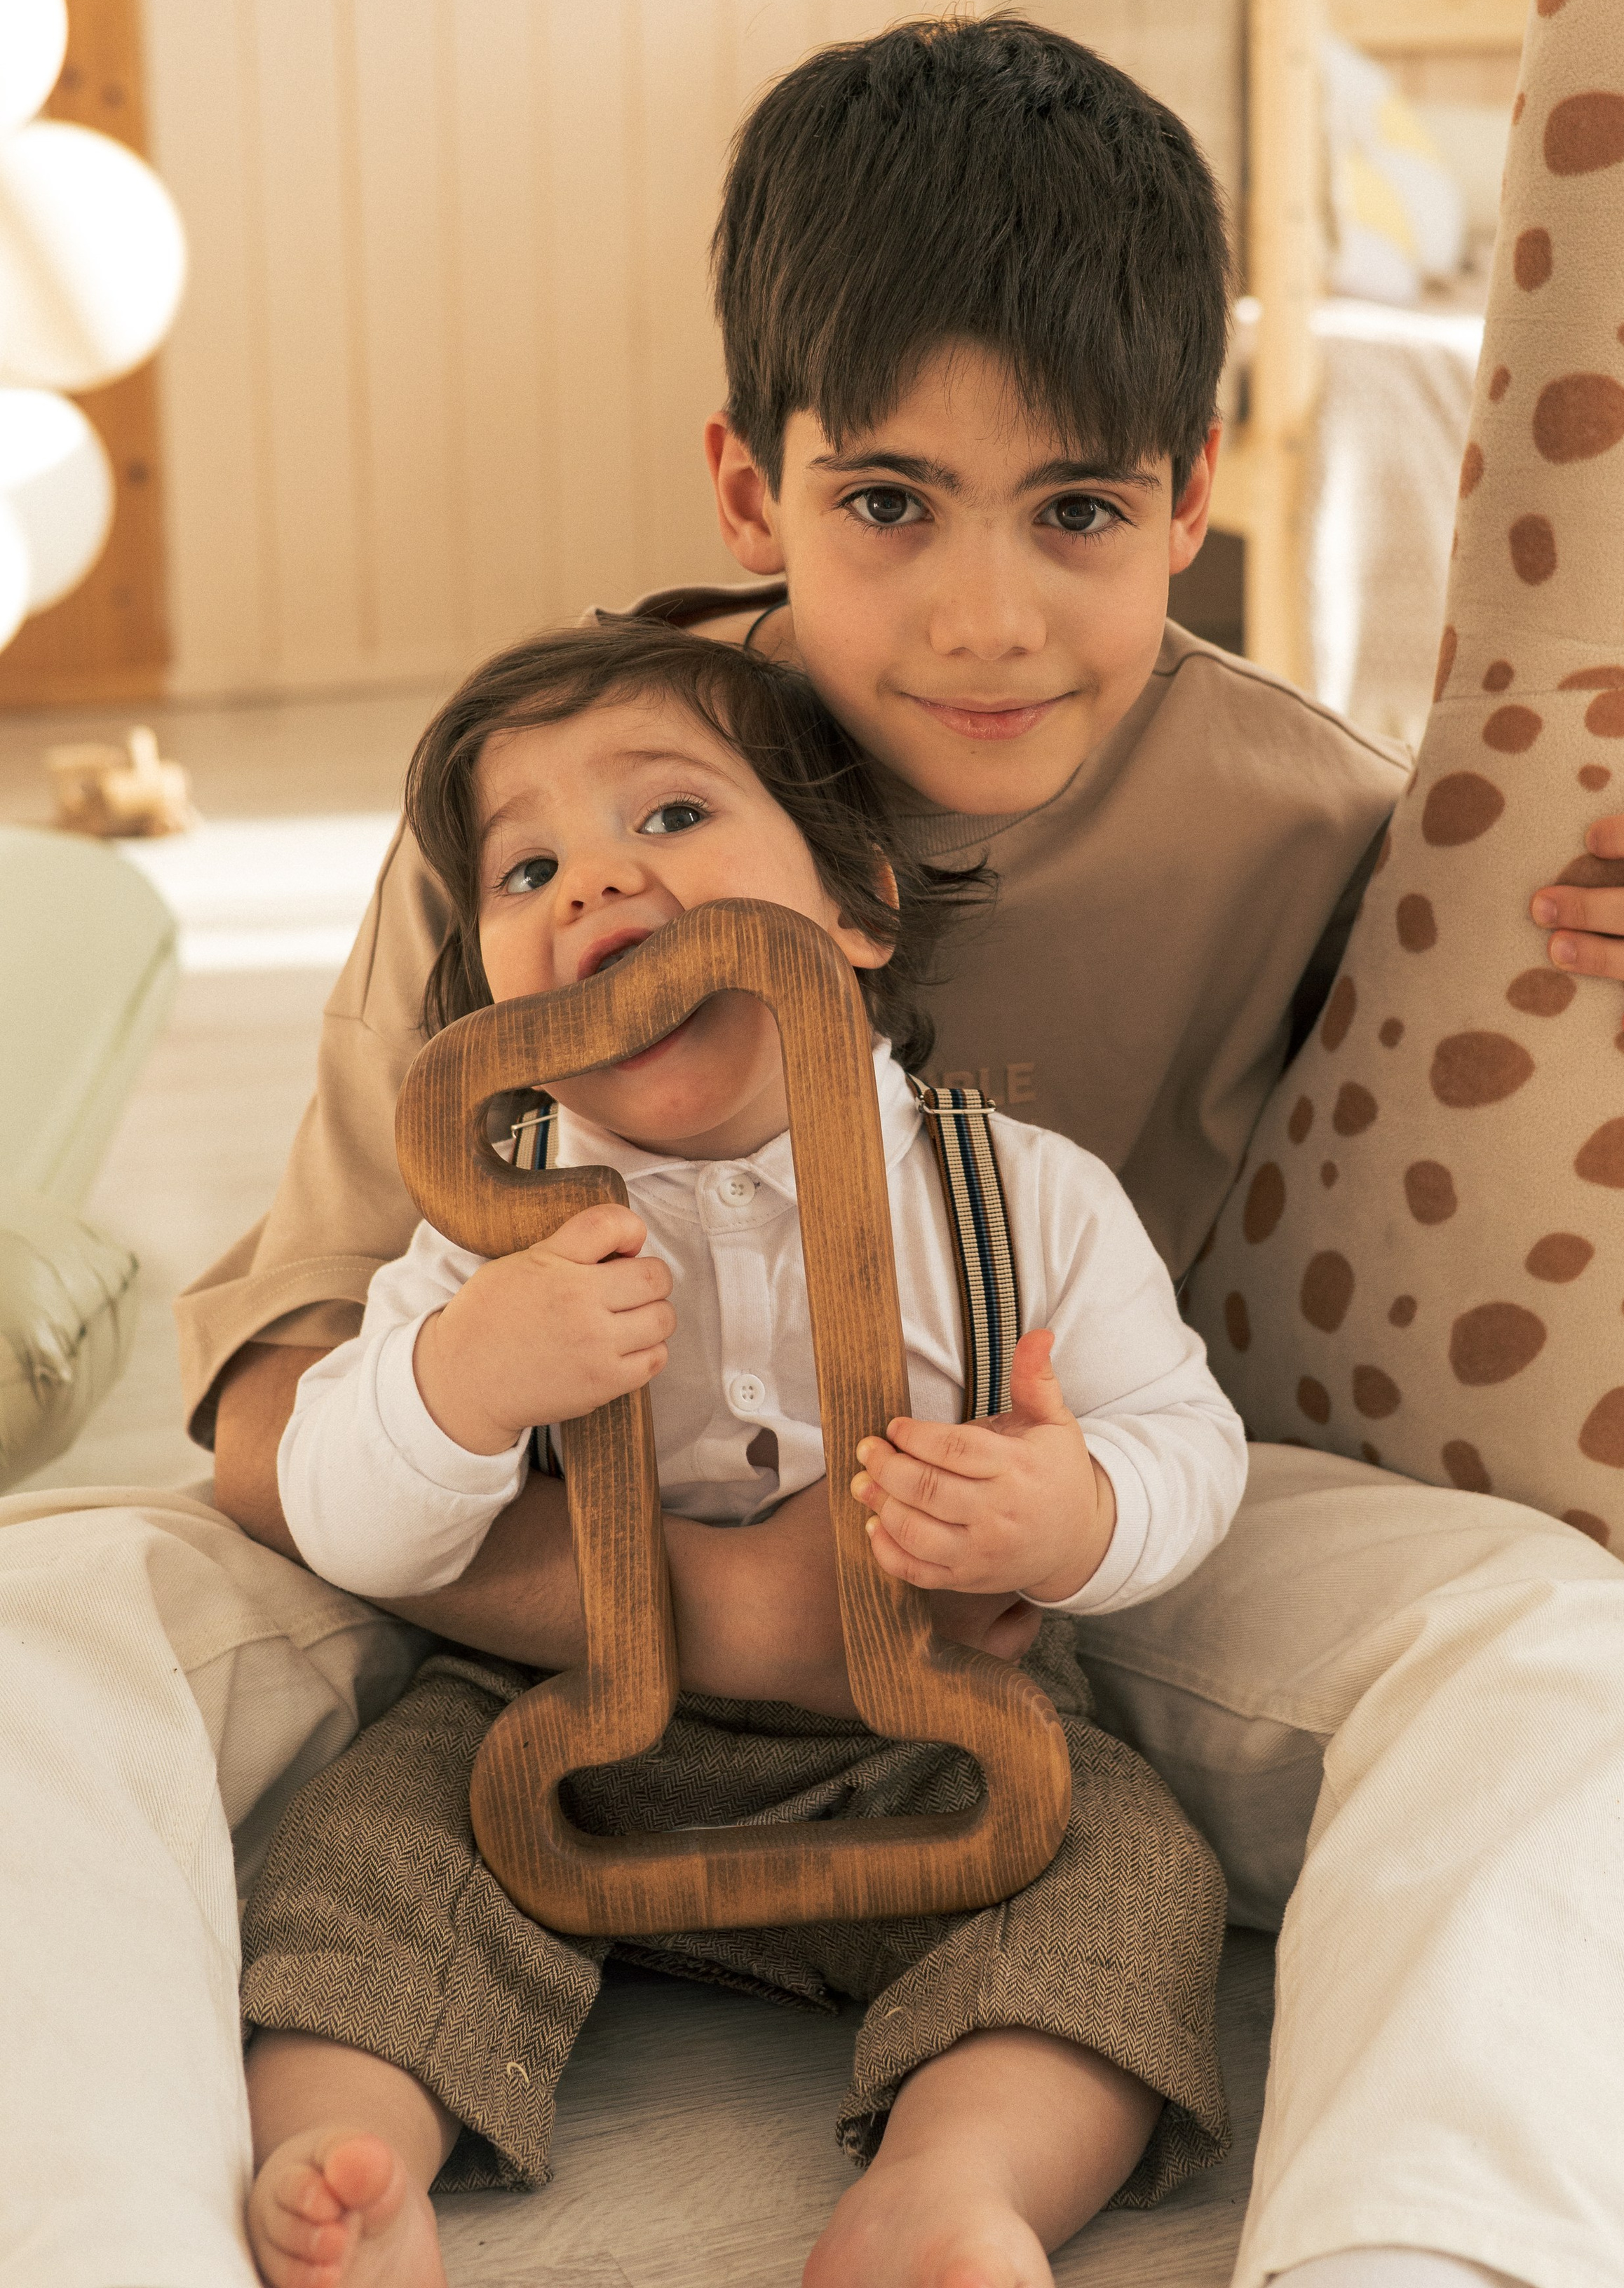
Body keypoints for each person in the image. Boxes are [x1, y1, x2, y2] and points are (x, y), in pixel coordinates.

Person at [4, 15, 1624, 2288]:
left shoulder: (1320, 821)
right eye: (886, 504)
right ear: (750, 491)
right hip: (516, 1549)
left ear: (1192, 490)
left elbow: (1576, 1037)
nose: (982, 613)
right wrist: (683, 1601)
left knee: (1570, 1653)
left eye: (1075, 512)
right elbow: (281, 1392)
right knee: (38, 1614)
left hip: (1049, 1559)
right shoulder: (549, 817)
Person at [240, 616, 1247, 2288]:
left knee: (1126, 1871)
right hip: (544, 1733)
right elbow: (344, 1520)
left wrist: (1072, 1514)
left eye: (672, 818)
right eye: (526, 868)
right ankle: (354, 2164)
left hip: (921, 1730)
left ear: (851, 904)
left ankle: (952, 2182)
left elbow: (1186, 1448)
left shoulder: (1019, 1195)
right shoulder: (486, 1230)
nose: (592, 889)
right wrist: (461, 1385)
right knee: (365, 1852)